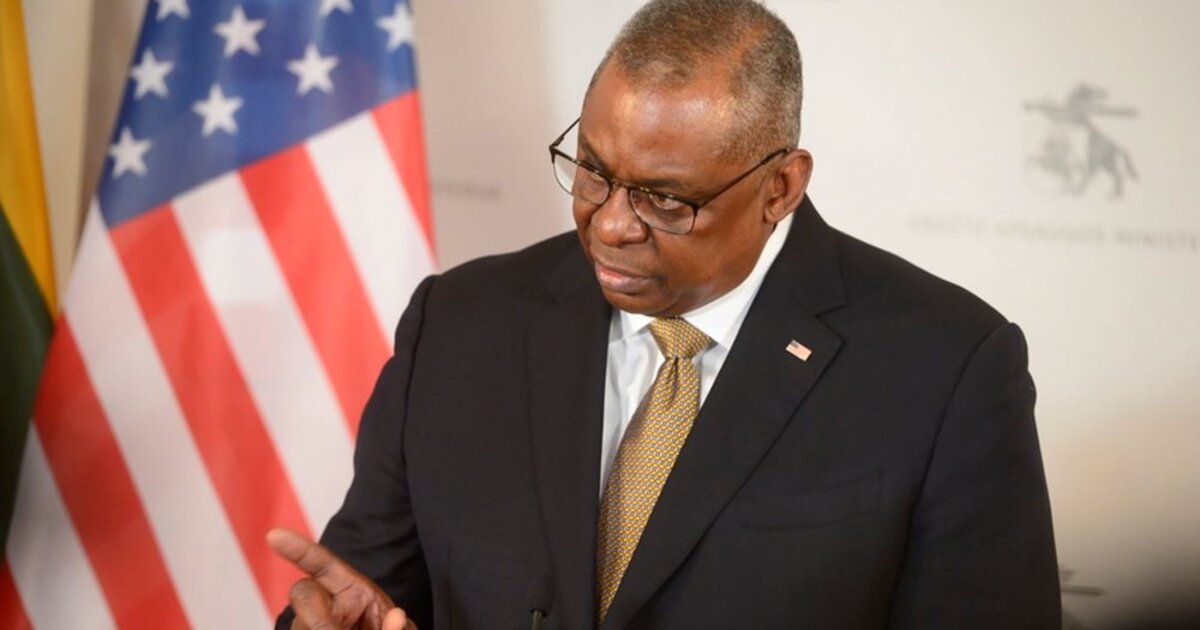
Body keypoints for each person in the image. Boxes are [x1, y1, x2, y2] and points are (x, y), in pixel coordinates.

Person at [269, 1, 1060, 628]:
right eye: (592, 171)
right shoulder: (461, 324)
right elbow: (364, 592)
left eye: (665, 199)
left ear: (780, 187)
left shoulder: (946, 369)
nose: (611, 224)